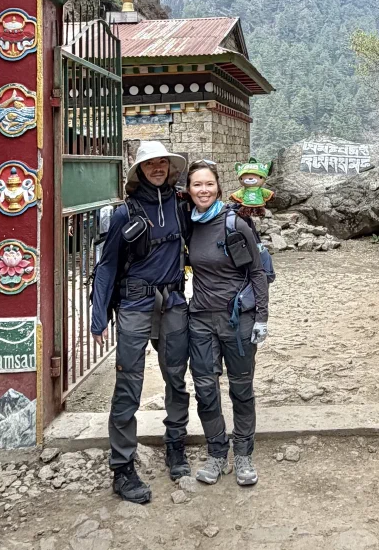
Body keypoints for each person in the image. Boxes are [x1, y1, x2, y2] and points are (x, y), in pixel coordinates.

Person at [91, 142, 192, 504]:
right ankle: (122, 467)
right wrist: (98, 315)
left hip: (174, 303)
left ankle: (176, 446)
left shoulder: (183, 207)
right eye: (150, 163)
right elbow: (106, 267)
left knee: (176, 379)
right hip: (135, 304)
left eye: (163, 162)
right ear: (139, 170)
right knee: (128, 386)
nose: (158, 168)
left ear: (170, 167)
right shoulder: (124, 213)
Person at [185, 159, 269, 487]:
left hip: (237, 321)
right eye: (196, 185)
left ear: (218, 186)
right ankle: (217, 453)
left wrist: (262, 317)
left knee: (241, 388)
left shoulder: (234, 223)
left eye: (208, 184)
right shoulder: (189, 223)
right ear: (188, 190)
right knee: (205, 390)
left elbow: (257, 273)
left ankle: (244, 453)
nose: (203, 190)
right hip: (201, 319)